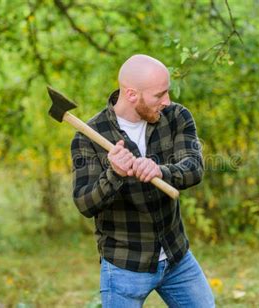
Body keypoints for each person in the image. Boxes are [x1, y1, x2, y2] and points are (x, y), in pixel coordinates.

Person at [71, 54, 215, 307]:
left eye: (167, 91)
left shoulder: (177, 117)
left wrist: (161, 171)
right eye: (159, 95)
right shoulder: (89, 136)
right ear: (131, 94)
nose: (167, 101)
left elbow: (194, 168)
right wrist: (113, 174)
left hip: (176, 257)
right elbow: (85, 203)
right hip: (125, 265)